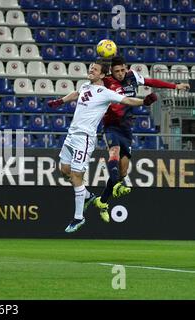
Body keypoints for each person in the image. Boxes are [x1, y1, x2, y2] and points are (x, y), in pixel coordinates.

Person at [47, 60, 158, 233]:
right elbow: (76, 94)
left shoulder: (106, 93)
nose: (91, 70)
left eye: (95, 69)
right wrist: (60, 101)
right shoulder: (85, 86)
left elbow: (127, 100)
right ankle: (88, 196)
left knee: (76, 176)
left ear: (102, 75)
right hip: (71, 135)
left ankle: (78, 218)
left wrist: (144, 102)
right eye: (91, 68)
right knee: (64, 170)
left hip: (84, 138)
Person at [94, 56, 190, 221]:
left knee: (123, 172)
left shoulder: (132, 76)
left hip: (126, 129)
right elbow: (92, 87)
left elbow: (152, 82)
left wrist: (175, 86)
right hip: (110, 126)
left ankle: (102, 201)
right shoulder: (106, 82)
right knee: (114, 152)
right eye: (116, 71)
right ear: (112, 71)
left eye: (122, 70)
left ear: (126, 67)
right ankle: (117, 185)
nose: (120, 74)